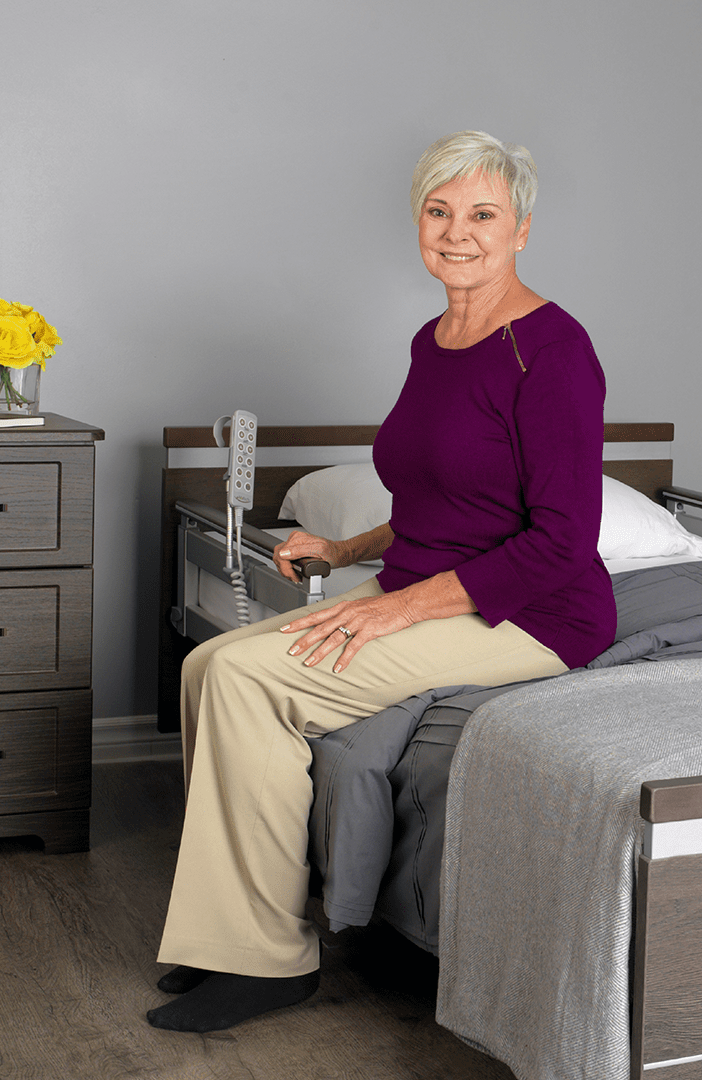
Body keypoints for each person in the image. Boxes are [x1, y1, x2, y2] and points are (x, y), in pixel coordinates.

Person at [146, 131, 614, 1033]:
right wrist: (344, 547)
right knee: (207, 668)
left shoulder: (552, 352)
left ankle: (269, 962)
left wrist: (394, 608)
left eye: (482, 214)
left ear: (521, 228)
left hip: (533, 615)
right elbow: (443, 497)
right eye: (440, 212)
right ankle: (224, 934)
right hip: (428, 584)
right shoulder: (435, 340)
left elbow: (560, 540)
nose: (458, 232)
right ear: (418, 222)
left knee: (249, 678)